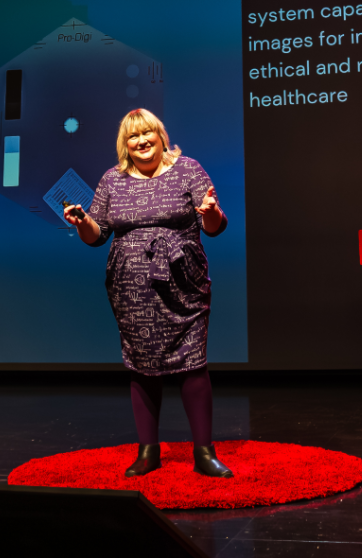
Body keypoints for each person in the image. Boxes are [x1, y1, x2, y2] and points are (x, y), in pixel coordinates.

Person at [63, 109, 233, 478]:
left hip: (183, 283)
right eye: (132, 136)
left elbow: (214, 227)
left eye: (146, 133)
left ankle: (204, 452)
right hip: (131, 288)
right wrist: (83, 222)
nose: (141, 141)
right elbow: (97, 235)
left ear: (160, 135)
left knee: (193, 363)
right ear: (124, 144)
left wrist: (210, 211)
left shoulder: (188, 169)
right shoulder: (112, 179)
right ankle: (148, 452)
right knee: (142, 366)